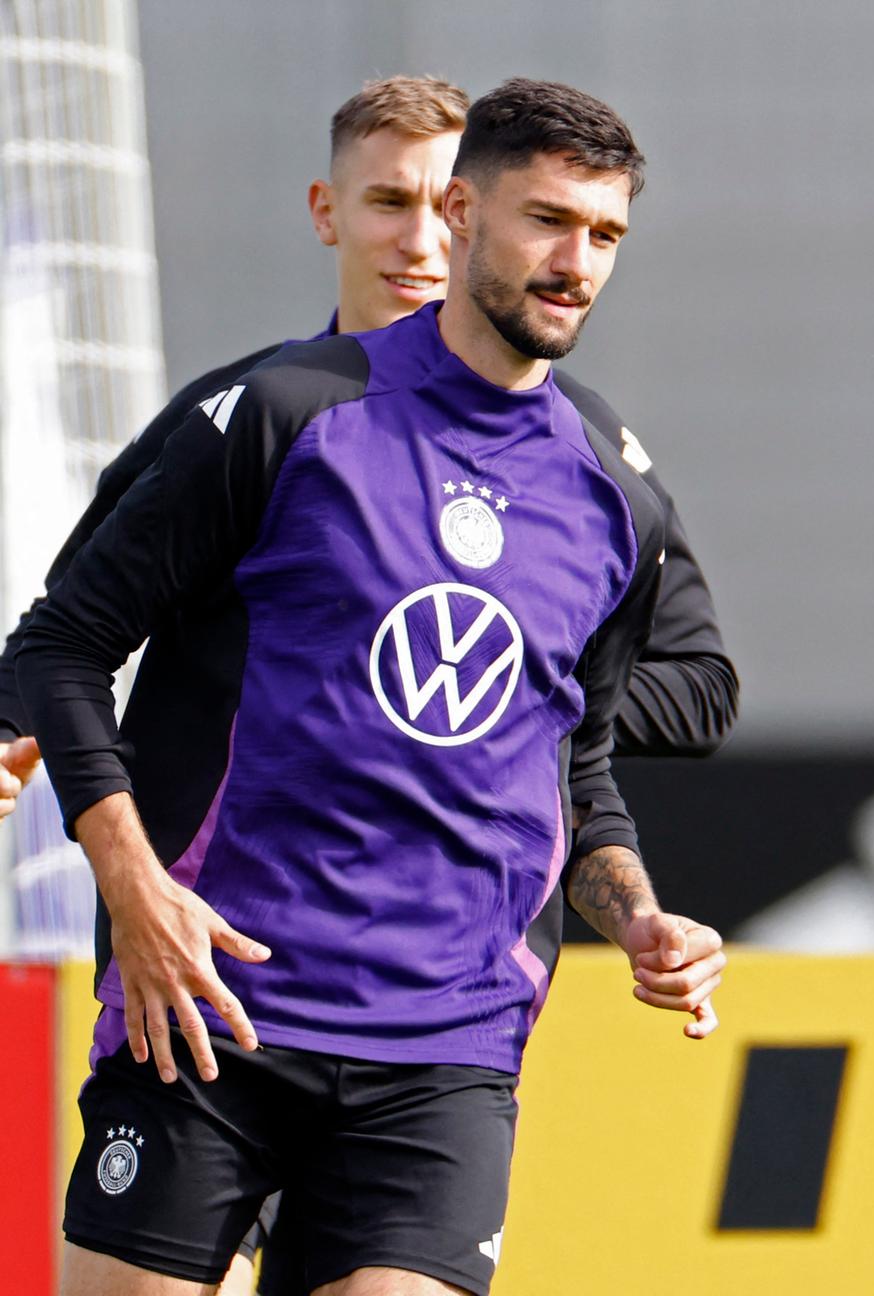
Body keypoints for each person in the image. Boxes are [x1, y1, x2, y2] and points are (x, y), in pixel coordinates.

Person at [17, 79, 726, 1296]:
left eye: (605, 235)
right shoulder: (283, 414)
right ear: (465, 213)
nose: (577, 263)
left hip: (445, 1048)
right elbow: (58, 646)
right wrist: (133, 889)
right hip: (213, 1007)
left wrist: (640, 916)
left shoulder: (615, 491)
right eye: (548, 221)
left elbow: (577, 766)